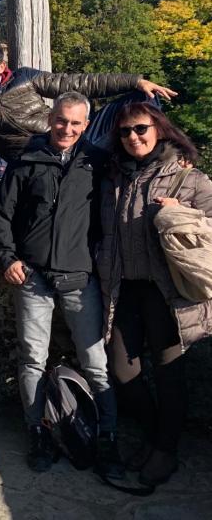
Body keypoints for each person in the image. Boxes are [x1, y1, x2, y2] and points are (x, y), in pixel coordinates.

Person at [0, 92, 123, 478]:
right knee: (32, 359)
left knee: (97, 363)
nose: (67, 129)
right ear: (50, 118)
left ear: (85, 125)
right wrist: (7, 258)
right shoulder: (27, 160)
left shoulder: (97, 164)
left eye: (76, 123)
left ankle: (108, 437)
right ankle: (38, 431)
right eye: (61, 121)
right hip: (32, 277)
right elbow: (1, 213)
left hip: (80, 278)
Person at [97, 102, 212, 486]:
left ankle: (165, 450)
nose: (133, 137)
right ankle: (154, 435)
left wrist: (183, 213)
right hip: (124, 288)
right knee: (122, 372)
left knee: (169, 375)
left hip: (169, 293)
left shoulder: (188, 179)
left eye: (141, 129)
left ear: (159, 128)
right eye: (125, 132)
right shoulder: (114, 176)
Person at [0, 41, 177, 180]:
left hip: (74, 132)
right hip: (38, 155)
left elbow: (77, 84)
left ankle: (150, 164)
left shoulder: (23, 78)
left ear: (1, 67)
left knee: (145, 97)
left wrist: (135, 81)